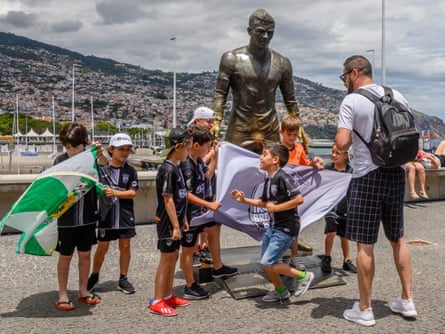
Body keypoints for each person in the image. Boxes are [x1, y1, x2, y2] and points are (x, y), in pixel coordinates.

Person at [335, 55, 417, 326]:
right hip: (396, 174)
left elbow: (343, 143)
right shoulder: (397, 95)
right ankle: (407, 300)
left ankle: (365, 308)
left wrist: (341, 142)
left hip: (367, 177)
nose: (345, 81)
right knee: (398, 239)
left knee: (365, 246)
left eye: (344, 76)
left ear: (354, 73)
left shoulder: (352, 100)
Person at [212, 8, 308, 154]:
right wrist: (216, 121)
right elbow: (220, 94)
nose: (265, 36)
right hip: (239, 129)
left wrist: (298, 125)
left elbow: (290, 100)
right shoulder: (231, 58)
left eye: (270, 33)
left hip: (270, 129)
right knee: (236, 172)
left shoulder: (282, 63)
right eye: (260, 31)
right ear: (250, 31)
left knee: (271, 174)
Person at [231, 143, 314, 303]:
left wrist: (277, 208)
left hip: (286, 229)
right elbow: (264, 203)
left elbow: (299, 199)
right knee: (267, 264)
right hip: (273, 227)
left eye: (264, 154)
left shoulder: (283, 177)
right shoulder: (268, 180)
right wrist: (243, 200)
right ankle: (281, 291)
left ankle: (304, 276)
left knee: (268, 262)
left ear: (275, 160)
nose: (260, 158)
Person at [180, 125, 238, 300]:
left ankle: (218, 267)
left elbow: (208, 175)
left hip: (201, 211)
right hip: (189, 214)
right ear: (196, 145)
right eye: (207, 146)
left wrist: (215, 155)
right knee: (188, 250)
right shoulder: (187, 165)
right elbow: (186, 194)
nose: (208, 149)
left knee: (214, 229)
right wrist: (208, 204)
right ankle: (190, 285)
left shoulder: (197, 161)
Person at [53, 122, 102, 311]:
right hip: (66, 217)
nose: (72, 151)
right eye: (68, 147)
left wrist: (98, 153)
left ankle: (83, 290)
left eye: (75, 146)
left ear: (84, 143)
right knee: (66, 256)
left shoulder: (91, 159)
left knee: (85, 254)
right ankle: (63, 293)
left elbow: (104, 166)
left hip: (88, 216)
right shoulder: (60, 160)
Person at [87, 133, 139, 294]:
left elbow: (132, 192)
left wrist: (115, 193)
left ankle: (123, 277)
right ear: (112, 150)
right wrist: (96, 150)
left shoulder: (130, 171)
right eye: (120, 149)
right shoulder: (103, 169)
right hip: (106, 214)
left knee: (125, 245)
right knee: (102, 247)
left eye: (127, 149)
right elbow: (99, 159)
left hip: (124, 215)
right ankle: (94, 275)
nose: (124, 152)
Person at [149, 128, 192, 317]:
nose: (188, 152)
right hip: (167, 223)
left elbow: (180, 197)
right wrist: (175, 225)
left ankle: (167, 294)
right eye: (187, 148)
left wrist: (183, 220)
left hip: (176, 221)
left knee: (173, 256)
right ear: (178, 147)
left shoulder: (177, 168)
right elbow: (168, 200)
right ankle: (157, 299)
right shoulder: (167, 169)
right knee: (166, 259)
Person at [279, 114, 323, 266]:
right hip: (278, 194)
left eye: (294, 135)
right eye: (289, 134)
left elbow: (305, 166)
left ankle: (294, 255)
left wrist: (314, 164)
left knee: (295, 224)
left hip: (294, 194)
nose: (292, 138)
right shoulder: (277, 149)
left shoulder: (299, 149)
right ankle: (277, 255)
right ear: (281, 132)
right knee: (276, 225)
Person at [187, 106, 217, 265]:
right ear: (198, 121)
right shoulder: (191, 139)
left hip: (206, 185)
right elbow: (196, 164)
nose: (211, 124)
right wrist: (212, 154)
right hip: (196, 186)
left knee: (206, 218)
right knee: (196, 220)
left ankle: (203, 247)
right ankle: (193, 251)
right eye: (208, 121)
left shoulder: (207, 137)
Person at [320, 144, 356, 274]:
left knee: (344, 235)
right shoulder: (327, 169)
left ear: (346, 155)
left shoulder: (351, 171)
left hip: (345, 207)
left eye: (337, 153)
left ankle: (347, 260)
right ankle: (327, 257)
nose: (333, 155)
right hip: (330, 207)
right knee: (331, 231)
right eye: (332, 152)